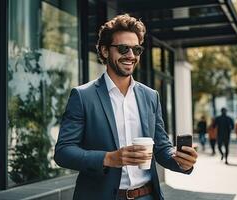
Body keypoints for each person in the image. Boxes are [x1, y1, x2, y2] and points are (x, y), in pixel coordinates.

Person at [54, 14, 197, 200]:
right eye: (123, 48)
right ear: (105, 51)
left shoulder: (150, 96)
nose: (131, 55)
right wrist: (109, 158)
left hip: (147, 195)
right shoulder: (83, 96)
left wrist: (181, 161)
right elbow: (63, 152)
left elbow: (162, 148)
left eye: (136, 50)